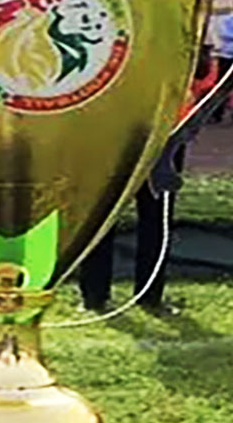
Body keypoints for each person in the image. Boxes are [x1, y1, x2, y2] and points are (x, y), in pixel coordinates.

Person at [77, 44, 210, 315]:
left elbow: (201, 69)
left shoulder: (177, 27)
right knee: (101, 219)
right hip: (111, 133)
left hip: (165, 134)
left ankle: (150, 295)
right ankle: (94, 295)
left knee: (156, 219)